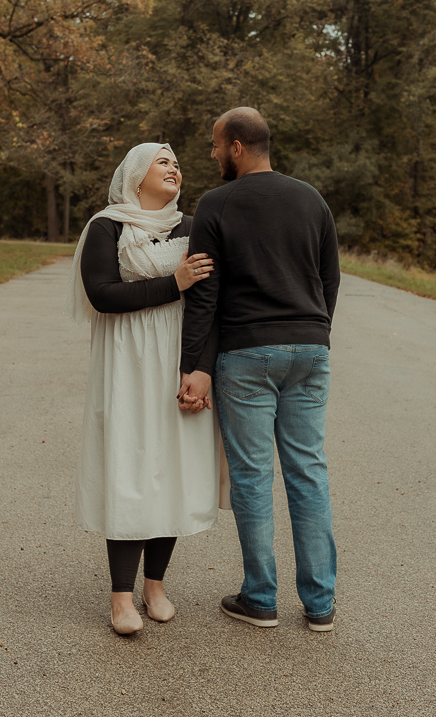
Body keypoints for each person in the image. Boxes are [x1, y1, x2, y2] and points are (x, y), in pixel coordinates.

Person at [177, 106, 342, 632]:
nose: (211, 153)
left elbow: (204, 295)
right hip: (310, 350)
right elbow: (329, 279)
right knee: (308, 471)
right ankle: (320, 607)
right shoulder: (311, 198)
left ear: (238, 147)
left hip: (247, 354)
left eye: (214, 144)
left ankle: (261, 598)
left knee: (252, 476)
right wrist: (314, 333)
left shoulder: (216, 204)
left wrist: (193, 365)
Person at [68, 142, 219, 635]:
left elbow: (211, 304)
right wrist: (173, 283)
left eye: (178, 163)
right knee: (129, 466)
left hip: (177, 360)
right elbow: (102, 294)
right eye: (163, 161)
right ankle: (120, 598)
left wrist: (199, 369)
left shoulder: (193, 226)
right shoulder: (106, 226)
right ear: (136, 173)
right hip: (126, 363)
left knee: (171, 468)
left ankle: (155, 585)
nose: (174, 168)